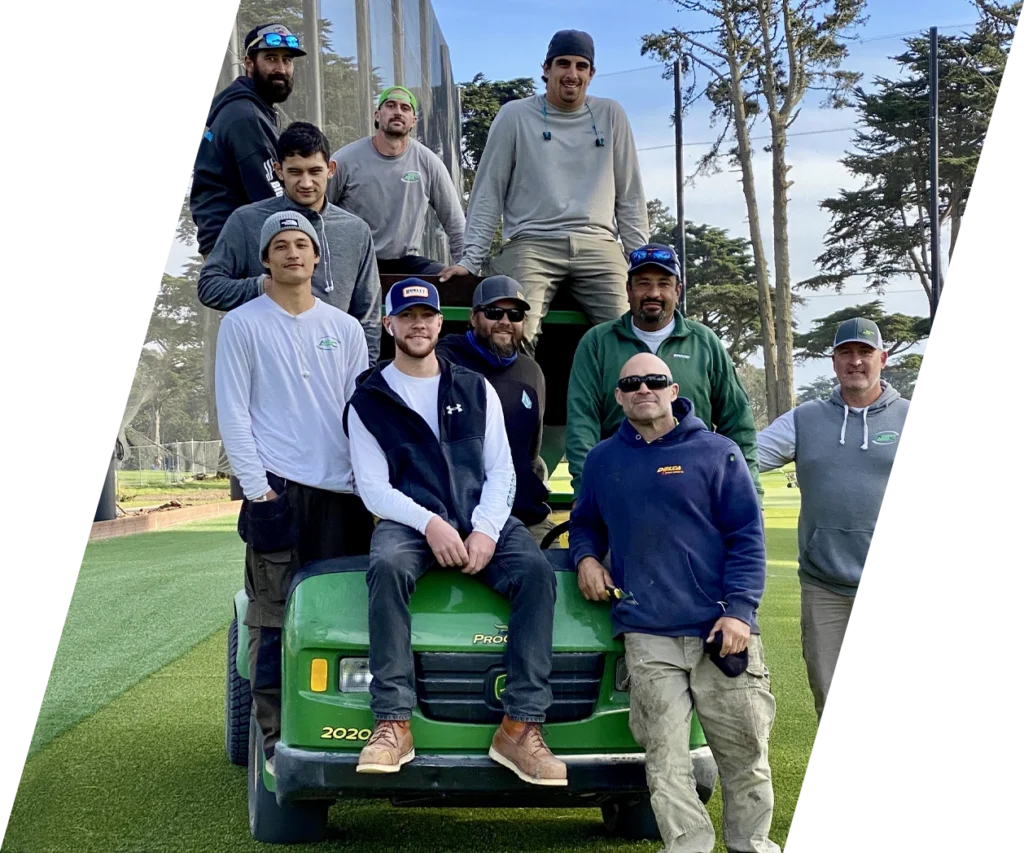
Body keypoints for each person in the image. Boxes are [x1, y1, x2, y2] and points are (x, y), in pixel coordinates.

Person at [342, 278, 566, 786]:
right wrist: (432, 523)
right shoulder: (368, 400)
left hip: (479, 515)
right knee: (388, 564)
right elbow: (374, 490)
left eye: (428, 315)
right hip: (410, 523)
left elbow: (503, 471)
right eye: (407, 316)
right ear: (389, 325)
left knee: (535, 571)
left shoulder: (473, 386)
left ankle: (521, 727)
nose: (418, 324)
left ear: (442, 324)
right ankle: (393, 722)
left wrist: (485, 531)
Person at [569, 352, 780, 853]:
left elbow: (747, 536)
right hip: (647, 633)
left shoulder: (717, 452)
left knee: (744, 754)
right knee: (665, 762)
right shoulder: (603, 459)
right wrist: (585, 558)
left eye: (654, 380)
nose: (644, 388)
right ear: (619, 397)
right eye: (632, 382)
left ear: (672, 389)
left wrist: (740, 612)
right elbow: (585, 523)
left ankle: (751, 845)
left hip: (718, 631)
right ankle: (687, 847)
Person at [215, 210, 376, 775]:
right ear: (265, 259)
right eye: (280, 245)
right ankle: (276, 743)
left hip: (345, 496)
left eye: (302, 244)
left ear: (315, 257)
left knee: (346, 618)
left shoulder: (347, 328)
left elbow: (361, 413)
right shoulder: (243, 324)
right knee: (273, 617)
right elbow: (234, 413)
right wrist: (259, 490)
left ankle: (350, 728)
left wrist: (367, 485)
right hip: (278, 491)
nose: (291, 253)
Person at [438, 29, 649, 357]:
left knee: (631, 330)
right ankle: (520, 405)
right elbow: (488, 192)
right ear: (547, 68)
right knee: (512, 328)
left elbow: (630, 196)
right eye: (563, 64)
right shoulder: (515, 116)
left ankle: (626, 405)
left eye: (581, 66)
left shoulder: (612, 115)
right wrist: (471, 258)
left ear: (591, 74)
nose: (571, 74)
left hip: (599, 245)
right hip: (532, 243)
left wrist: (641, 260)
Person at [756, 317, 911, 731]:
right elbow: (744, 460)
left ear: (883, 358)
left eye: (865, 353)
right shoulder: (805, 419)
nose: (855, 362)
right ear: (834, 361)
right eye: (846, 353)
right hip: (826, 587)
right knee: (828, 700)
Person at [565, 242, 762, 506]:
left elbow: (738, 423)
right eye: (643, 283)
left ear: (678, 291)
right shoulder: (598, 342)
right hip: (620, 489)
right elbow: (582, 424)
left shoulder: (704, 342)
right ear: (628, 290)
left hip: (694, 492)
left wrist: (749, 494)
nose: (653, 293)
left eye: (664, 283)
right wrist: (585, 493)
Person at [198, 121, 382, 363]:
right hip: (267, 364)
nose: (306, 183)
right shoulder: (246, 221)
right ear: (278, 170)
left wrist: (364, 377)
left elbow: (368, 313)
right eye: (295, 172)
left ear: (331, 169)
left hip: (333, 367)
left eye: (314, 171)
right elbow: (209, 287)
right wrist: (263, 287)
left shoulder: (355, 230)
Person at [434, 275, 553, 545]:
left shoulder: (531, 371)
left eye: (515, 314)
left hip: (523, 517)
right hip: (459, 520)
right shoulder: (444, 361)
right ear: (473, 317)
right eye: (493, 312)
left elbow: (532, 453)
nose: (505, 321)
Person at [191, 23, 306, 260]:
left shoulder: (247, 108)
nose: (281, 69)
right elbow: (271, 195)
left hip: (232, 241)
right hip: (238, 248)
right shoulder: (246, 116)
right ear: (249, 63)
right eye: (271, 58)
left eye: (287, 60)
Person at [327, 85, 466, 276]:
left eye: (405, 108)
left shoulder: (429, 162)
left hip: (406, 263)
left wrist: (465, 265)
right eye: (390, 106)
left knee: (447, 280)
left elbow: (455, 222)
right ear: (377, 115)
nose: (398, 112)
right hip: (355, 261)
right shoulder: (344, 160)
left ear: (413, 121)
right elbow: (317, 209)